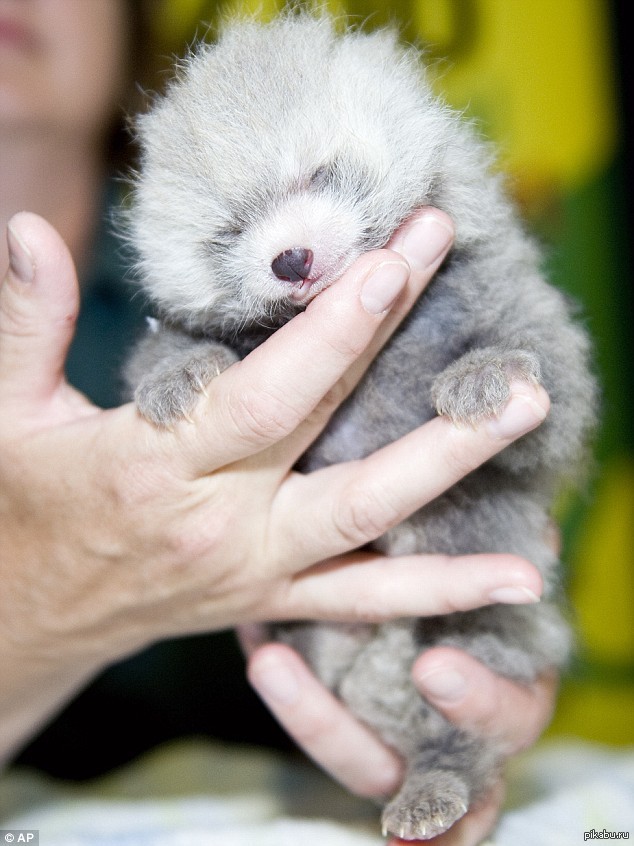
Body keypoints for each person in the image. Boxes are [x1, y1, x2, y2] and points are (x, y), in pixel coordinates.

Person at [0, 2, 555, 844]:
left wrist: (480, 684)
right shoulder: (193, 310)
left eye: (310, 184)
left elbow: (528, 469)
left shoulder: (439, 237)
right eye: (234, 227)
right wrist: (34, 618)